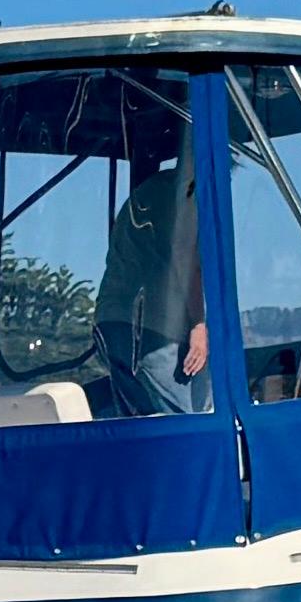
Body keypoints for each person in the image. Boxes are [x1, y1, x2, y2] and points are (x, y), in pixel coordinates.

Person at [95, 155, 208, 416]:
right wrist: (198, 325)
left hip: (111, 319)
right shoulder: (186, 193)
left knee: (136, 424)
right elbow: (186, 259)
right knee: (183, 424)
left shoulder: (155, 188)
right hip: (150, 324)